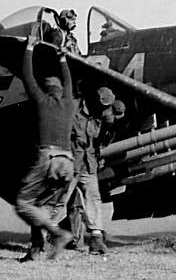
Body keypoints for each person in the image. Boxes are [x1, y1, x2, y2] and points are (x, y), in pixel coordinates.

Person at [14, 33, 79, 261]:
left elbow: (27, 76)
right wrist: (63, 60)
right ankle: (35, 250)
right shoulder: (69, 103)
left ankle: (57, 234)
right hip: (69, 161)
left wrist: (29, 49)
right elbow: (69, 82)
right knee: (42, 205)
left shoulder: (42, 102)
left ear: (46, 90)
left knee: (24, 203)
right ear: (60, 91)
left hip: (48, 157)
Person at [60, 81, 117, 255]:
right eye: (102, 104)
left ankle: (96, 240)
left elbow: (99, 138)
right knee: (59, 199)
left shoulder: (102, 113)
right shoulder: (72, 109)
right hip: (71, 163)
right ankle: (41, 238)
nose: (103, 108)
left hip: (88, 163)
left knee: (94, 199)